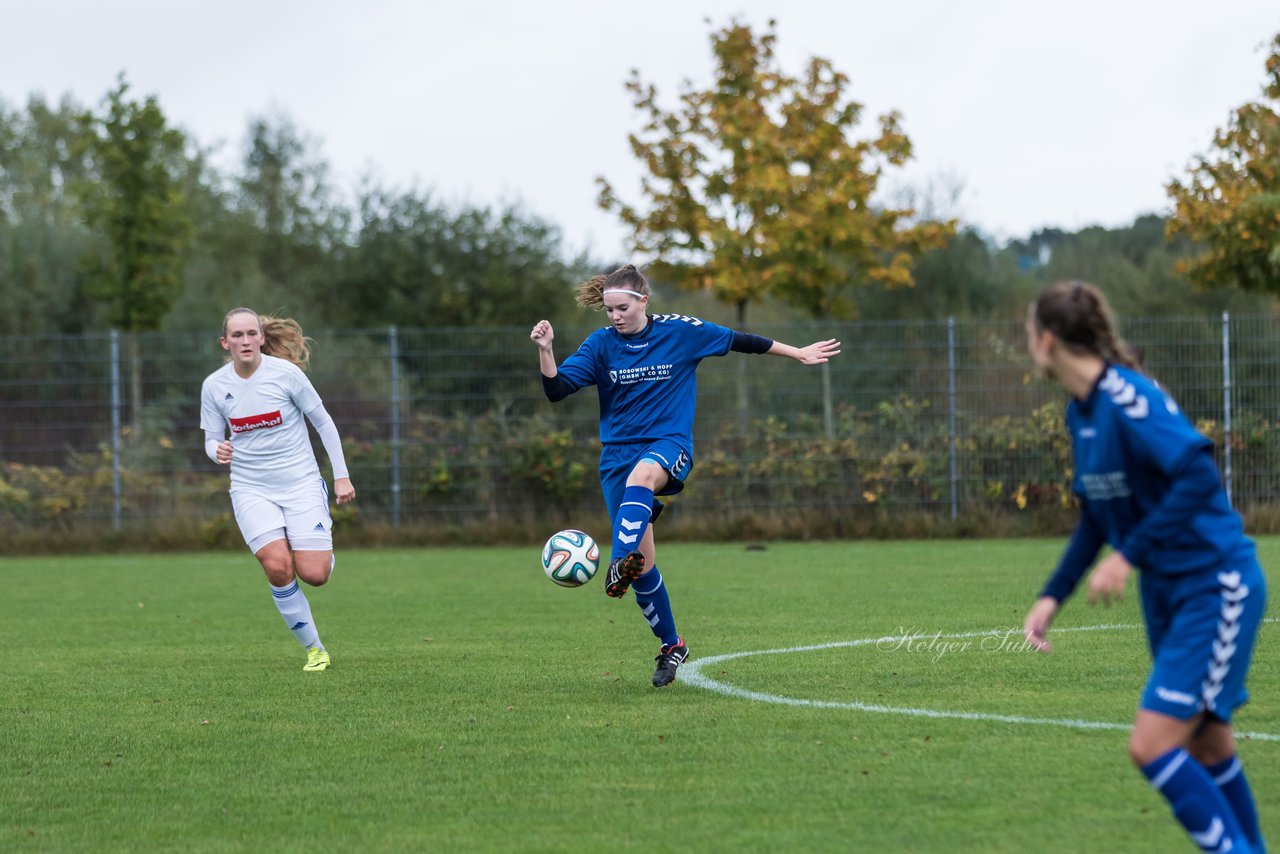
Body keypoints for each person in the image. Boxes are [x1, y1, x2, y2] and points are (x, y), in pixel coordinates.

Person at [1022, 281, 1267, 853]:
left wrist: (1128, 555)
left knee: (1152, 745)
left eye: (1030, 333)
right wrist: (1052, 596)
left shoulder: (1131, 398)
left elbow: (1198, 475)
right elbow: (1097, 515)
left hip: (1215, 583)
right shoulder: (1079, 414)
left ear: (1048, 340)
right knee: (1209, 747)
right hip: (1170, 593)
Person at [530, 265, 841, 687]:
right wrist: (546, 350)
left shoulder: (681, 331)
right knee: (645, 568)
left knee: (641, 482)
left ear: (644, 301)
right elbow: (556, 390)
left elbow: (741, 341)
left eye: (622, 308)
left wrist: (798, 352)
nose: (615, 316)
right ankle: (672, 645)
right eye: (608, 310)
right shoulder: (601, 344)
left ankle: (618, 560)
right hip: (615, 456)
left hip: (668, 444)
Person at [200, 308, 356, 672]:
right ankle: (315, 651)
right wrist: (216, 450)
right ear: (226, 343)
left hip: (300, 484)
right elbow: (210, 439)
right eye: (236, 335)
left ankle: (320, 550)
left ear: (260, 338)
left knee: (314, 575)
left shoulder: (286, 376)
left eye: (250, 333)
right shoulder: (215, 386)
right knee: (277, 567)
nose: (244, 340)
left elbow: (323, 422)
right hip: (250, 489)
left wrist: (341, 476)